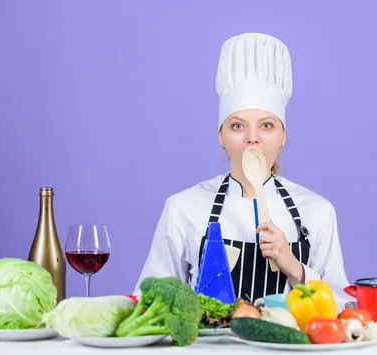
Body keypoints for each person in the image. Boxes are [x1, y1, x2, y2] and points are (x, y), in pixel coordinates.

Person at [134, 32, 353, 310]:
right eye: (237, 125)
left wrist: (294, 268)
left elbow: (342, 308)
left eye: (266, 125)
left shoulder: (318, 211)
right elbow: (149, 302)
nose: (253, 138)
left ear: (283, 136)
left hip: (289, 351)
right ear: (221, 136)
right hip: (206, 352)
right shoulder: (183, 207)